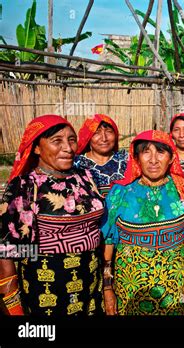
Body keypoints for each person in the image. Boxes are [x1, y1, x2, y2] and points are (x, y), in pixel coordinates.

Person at [0, 114, 105, 316]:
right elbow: (7, 251)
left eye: (71, 140)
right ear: (37, 148)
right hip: (47, 285)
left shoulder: (86, 177)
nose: (68, 148)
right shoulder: (25, 187)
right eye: (57, 141)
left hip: (92, 284)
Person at [100, 130, 184, 315]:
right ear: (136, 158)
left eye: (160, 152)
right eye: (146, 152)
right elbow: (108, 243)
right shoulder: (120, 193)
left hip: (174, 285)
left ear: (171, 158)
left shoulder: (182, 192)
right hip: (131, 288)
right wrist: (107, 289)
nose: (153, 160)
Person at [74, 114, 128, 197]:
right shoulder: (76, 164)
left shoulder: (127, 160)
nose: (104, 138)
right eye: (96, 133)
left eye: (109, 131)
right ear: (87, 138)